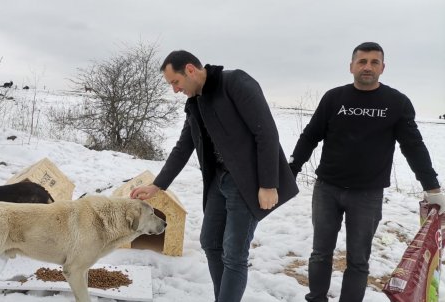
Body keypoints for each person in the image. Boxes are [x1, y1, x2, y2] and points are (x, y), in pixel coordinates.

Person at [130, 50, 299, 302]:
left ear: (190, 69)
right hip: (219, 181)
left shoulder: (235, 83)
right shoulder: (196, 103)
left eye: (175, 82)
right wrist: (158, 185)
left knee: (234, 254)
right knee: (210, 242)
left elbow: (267, 133)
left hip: (248, 183)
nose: (175, 90)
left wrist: (268, 184)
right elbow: (183, 146)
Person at [289, 42, 445, 302]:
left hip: (367, 195)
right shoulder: (334, 98)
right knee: (320, 253)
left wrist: (432, 187)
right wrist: (290, 171)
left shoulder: (396, 102)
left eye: (374, 62)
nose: (367, 67)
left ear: (383, 68)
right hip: (327, 188)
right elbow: (310, 137)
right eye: (362, 61)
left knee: (358, 260)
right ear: (351, 66)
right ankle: (316, 298)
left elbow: (413, 146)